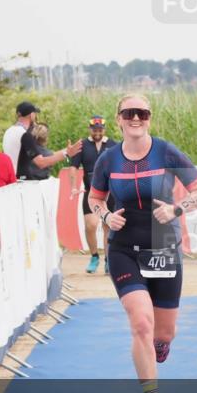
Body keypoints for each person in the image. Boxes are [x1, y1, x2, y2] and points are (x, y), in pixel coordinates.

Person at [87, 94, 197, 393]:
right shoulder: (108, 160)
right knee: (141, 323)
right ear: (119, 119)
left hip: (163, 245)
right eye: (129, 113)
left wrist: (176, 208)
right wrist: (105, 216)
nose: (135, 118)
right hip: (123, 247)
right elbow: (95, 198)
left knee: (163, 334)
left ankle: (160, 345)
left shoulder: (166, 151)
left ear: (150, 117)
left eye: (142, 113)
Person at [69, 115, 117, 274]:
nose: (97, 132)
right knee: (90, 225)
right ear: (90, 129)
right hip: (91, 192)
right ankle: (94, 256)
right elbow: (73, 167)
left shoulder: (113, 145)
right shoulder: (82, 145)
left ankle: (109, 261)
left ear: (104, 129)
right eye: (94, 129)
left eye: (100, 129)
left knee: (108, 226)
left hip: (110, 192)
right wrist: (73, 186)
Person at [15, 110, 82, 180]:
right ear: (46, 138)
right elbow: (44, 161)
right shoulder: (45, 153)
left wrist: (67, 151)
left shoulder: (26, 146)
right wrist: (67, 153)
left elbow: (52, 155)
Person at [1, 101, 37, 169]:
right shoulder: (24, 134)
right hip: (20, 177)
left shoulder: (8, 131)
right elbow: (40, 162)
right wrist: (63, 153)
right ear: (32, 115)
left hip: (8, 174)